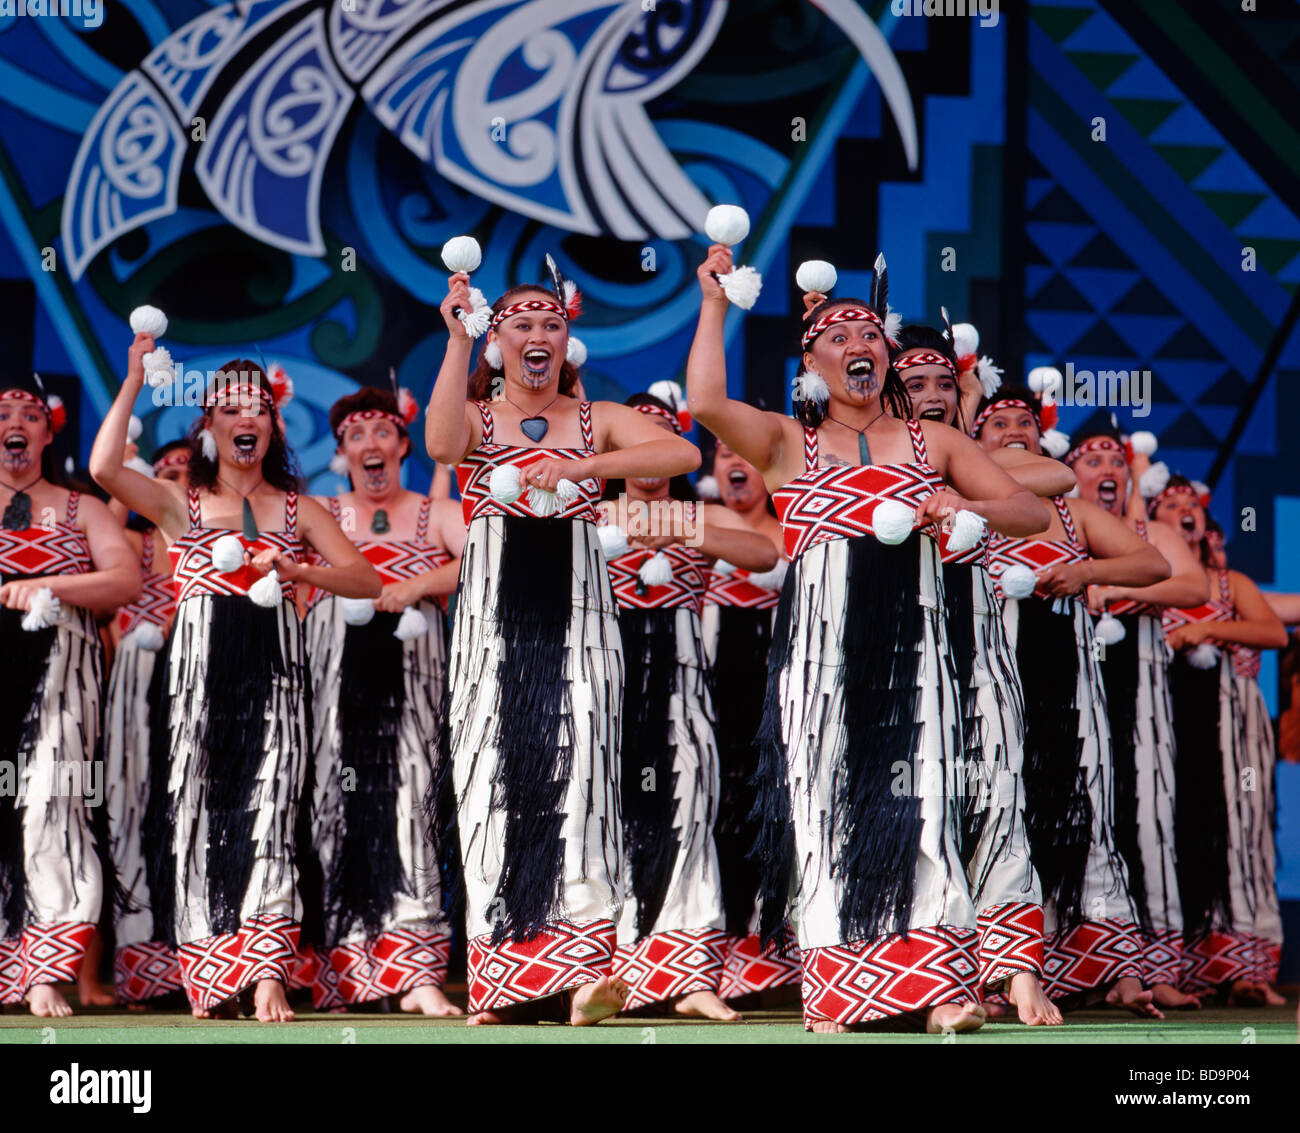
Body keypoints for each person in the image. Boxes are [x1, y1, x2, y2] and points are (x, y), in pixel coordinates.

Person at [687, 246, 1051, 1033]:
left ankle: (942, 989)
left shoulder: (935, 444)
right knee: (824, 809)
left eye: (868, 334)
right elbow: (706, 398)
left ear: (884, 353)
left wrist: (958, 505)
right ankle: (843, 993)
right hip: (820, 659)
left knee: (925, 806)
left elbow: (1031, 513)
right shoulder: (788, 442)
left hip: (915, 656)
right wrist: (715, 302)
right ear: (812, 360)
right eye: (836, 335)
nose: (858, 344)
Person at [425, 267, 700, 1025]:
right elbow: (443, 443)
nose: (538, 335)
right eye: (520, 323)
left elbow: (680, 458)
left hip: (580, 622)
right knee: (493, 785)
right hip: (492, 623)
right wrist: (455, 339)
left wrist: (585, 468)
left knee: (580, 783)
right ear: (496, 339)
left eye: (551, 323)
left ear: (568, 338)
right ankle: (504, 983)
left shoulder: (596, 416)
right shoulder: (478, 415)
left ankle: (581, 975)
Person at [91, 344, 380, 1022]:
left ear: (274, 426)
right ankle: (216, 975)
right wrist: (134, 379)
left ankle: (268, 972)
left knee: (269, 814)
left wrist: (301, 572)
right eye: (230, 408)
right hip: (196, 683)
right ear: (208, 425)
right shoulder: (176, 503)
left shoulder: (298, 510)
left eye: (260, 408)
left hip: (273, 679)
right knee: (198, 822)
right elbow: (105, 466)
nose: (246, 418)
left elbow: (365, 580)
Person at [975, 385, 1170, 1018]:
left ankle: (1112, 970)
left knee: (1086, 810)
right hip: (988, 681)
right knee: (996, 811)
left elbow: (1153, 563)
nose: (1012, 430)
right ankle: (998, 969)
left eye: (1023, 422)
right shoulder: (971, 499)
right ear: (974, 437)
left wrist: (1086, 573)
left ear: (1042, 435)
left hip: (1070, 684)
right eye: (997, 421)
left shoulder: (1070, 509)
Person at [895, 325, 1067, 1026]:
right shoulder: (861, 456)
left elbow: (1051, 481)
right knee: (915, 812)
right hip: (895, 662)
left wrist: (965, 487)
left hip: (977, 655)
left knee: (999, 800)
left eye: (945, 383)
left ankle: (1017, 968)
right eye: (917, 385)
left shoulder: (971, 461)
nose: (934, 396)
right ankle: (926, 975)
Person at [599, 391, 776, 1020]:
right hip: (605, 690)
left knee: (689, 813)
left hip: (681, 690)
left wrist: (673, 526)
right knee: (606, 820)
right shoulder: (588, 515)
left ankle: (689, 977)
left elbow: (764, 555)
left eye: (660, 439)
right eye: (633, 440)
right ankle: (608, 972)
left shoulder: (693, 515)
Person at [304, 386, 465, 1015]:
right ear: (342, 452)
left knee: (411, 807)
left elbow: (485, 552)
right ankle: (345, 974)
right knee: (332, 809)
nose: (371, 446)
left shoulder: (434, 512)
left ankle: (416, 974)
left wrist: (420, 582)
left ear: (402, 443)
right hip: (333, 679)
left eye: (382, 433)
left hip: (412, 681)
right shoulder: (319, 511)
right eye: (356, 436)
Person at [0, 380, 139, 1016]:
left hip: (60, 673)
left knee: (49, 808)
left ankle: (42, 970)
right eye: (5, 414)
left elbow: (125, 579)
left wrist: (46, 584)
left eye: (32, 414)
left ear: (49, 434)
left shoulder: (80, 507)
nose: (18, 422)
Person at [1067, 427, 1207, 1009]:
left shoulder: (1154, 532)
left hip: (1143, 695)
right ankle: (1083, 966)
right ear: (1067, 468)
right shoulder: (1060, 522)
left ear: (1129, 476)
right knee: (1081, 819)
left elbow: (1192, 585)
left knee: (1148, 820)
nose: (1107, 466)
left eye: (1115, 460)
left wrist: (1101, 580)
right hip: (1072, 692)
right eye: (1091, 457)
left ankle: (1156, 968)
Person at [1153, 482, 1288, 1004]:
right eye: (1171, 507)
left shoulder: (1231, 584)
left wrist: (1208, 631)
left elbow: (1274, 633)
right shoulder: (1148, 579)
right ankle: (1178, 963)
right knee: (1174, 832)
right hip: (1169, 727)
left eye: (1193, 508)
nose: (1185, 513)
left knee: (1242, 830)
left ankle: (1247, 967)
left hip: (1233, 727)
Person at [699, 440, 799, 1002]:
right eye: (721, 454)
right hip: (700, 696)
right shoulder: (695, 521)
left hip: (771, 700)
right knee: (708, 811)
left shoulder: (793, 529)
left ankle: (765, 945)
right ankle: (709, 943)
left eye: (746, 454)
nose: (734, 463)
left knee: (767, 811)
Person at [103, 439, 191, 1007]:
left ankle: (199, 961)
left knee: (188, 812)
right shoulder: (130, 543)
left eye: (187, 471)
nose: (176, 481)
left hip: (194, 686)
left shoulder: (209, 544)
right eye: (164, 473)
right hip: (132, 694)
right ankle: (141, 970)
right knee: (130, 812)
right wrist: (126, 463)